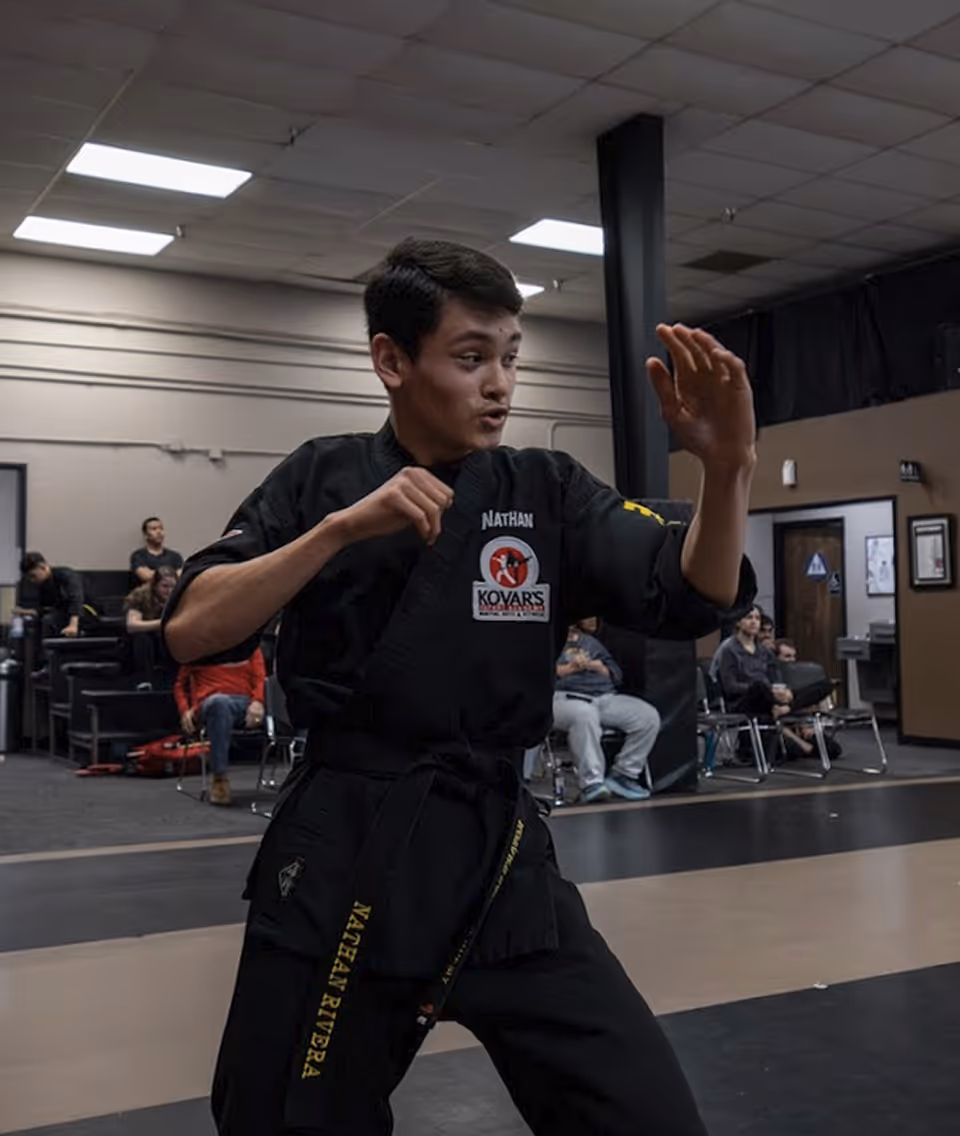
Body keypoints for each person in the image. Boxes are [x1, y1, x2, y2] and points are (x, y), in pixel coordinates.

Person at [163, 238, 757, 1136]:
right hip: (350, 848)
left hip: (496, 853)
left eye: (512, 358)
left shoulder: (544, 487)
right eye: (472, 358)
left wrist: (727, 470)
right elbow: (192, 627)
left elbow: (692, 593)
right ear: (391, 361)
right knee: (278, 1116)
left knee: (643, 1113)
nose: (501, 386)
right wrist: (334, 534)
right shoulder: (322, 477)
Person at [553, 618, 660, 804]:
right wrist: (569, 669)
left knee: (647, 716)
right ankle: (591, 784)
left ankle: (623, 775)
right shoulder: (550, 640)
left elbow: (614, 673)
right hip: (564, 697)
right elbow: (537, 672)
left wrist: (598, 667)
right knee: (585, 714)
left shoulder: (590, 642)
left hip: (603, 697)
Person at [174, 647, 266, 806]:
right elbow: (180, 685)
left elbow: (260, 678)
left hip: (243, 703)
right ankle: (220, 777)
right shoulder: (198, 646)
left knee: (223, 703)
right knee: (219, 702)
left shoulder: (249, 644)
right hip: (208, 704)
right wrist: (184, 710)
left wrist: (258, 701)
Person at [124, 566, 179, 682]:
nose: (169, 591)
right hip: (143, 639)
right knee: (142, 638)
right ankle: (144, 681)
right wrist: (162, 623)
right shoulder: (140, 595)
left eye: (173, 587)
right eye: (164, 586)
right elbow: (132, 626)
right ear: (155, 585)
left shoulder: (180, 596)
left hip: (166, 637)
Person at [18, 552, 83, 640]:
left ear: (43, 567)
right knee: (35, 622)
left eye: (33, 576)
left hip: (84, 612)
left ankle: (50, 652)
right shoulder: (44, 584)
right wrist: (31, 611)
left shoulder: (66, 576)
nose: (32, 580)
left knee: (49, 620)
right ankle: (38, 652)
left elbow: (76, 599)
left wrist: (73, 625)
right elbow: (47, 606)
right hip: (64, 613)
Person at [130, 517, 183, 585]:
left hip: (171, 593)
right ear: (146, 535)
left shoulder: (175, 556)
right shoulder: (138, 556)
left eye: (161, 528)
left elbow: (181, 575)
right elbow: (146, 576)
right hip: (147, 594)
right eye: (154, 529)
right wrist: (172, 574)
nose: (159, 532)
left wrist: (155, 574)